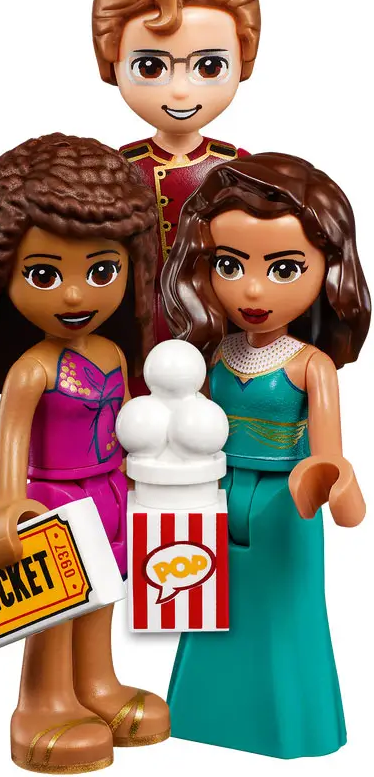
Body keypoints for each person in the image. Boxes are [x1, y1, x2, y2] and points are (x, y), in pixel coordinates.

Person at [0, 133, 170, 773]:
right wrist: (6, 503)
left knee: (104, 593)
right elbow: (11, 439)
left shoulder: (113, 354)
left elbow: (126, 421)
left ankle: (97, 684)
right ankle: (42, 702)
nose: (75, 296)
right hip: (51, 498)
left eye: (101, 272)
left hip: (109, 491)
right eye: (45, 275)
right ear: (0, 277)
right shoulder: (33, 369)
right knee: (55, 604)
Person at [161, 152, 370, 758]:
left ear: (328, 272)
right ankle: (199, 715)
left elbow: (328, 456)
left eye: (284, 269)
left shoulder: (311, 366)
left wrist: (335, 482)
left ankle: (292, 729)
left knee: (286, 615)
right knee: (204, 610)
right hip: (213, 493)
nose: (252, 290)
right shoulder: (210, 356)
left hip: (286, 505)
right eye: (229, 265)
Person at [93, 0, 260, 347]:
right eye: (151, 67)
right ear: (112, 63)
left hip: (220, 308)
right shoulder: (118, 167)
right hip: (140, 312)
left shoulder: (236, 165)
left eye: (209, 66)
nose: (181, 91)